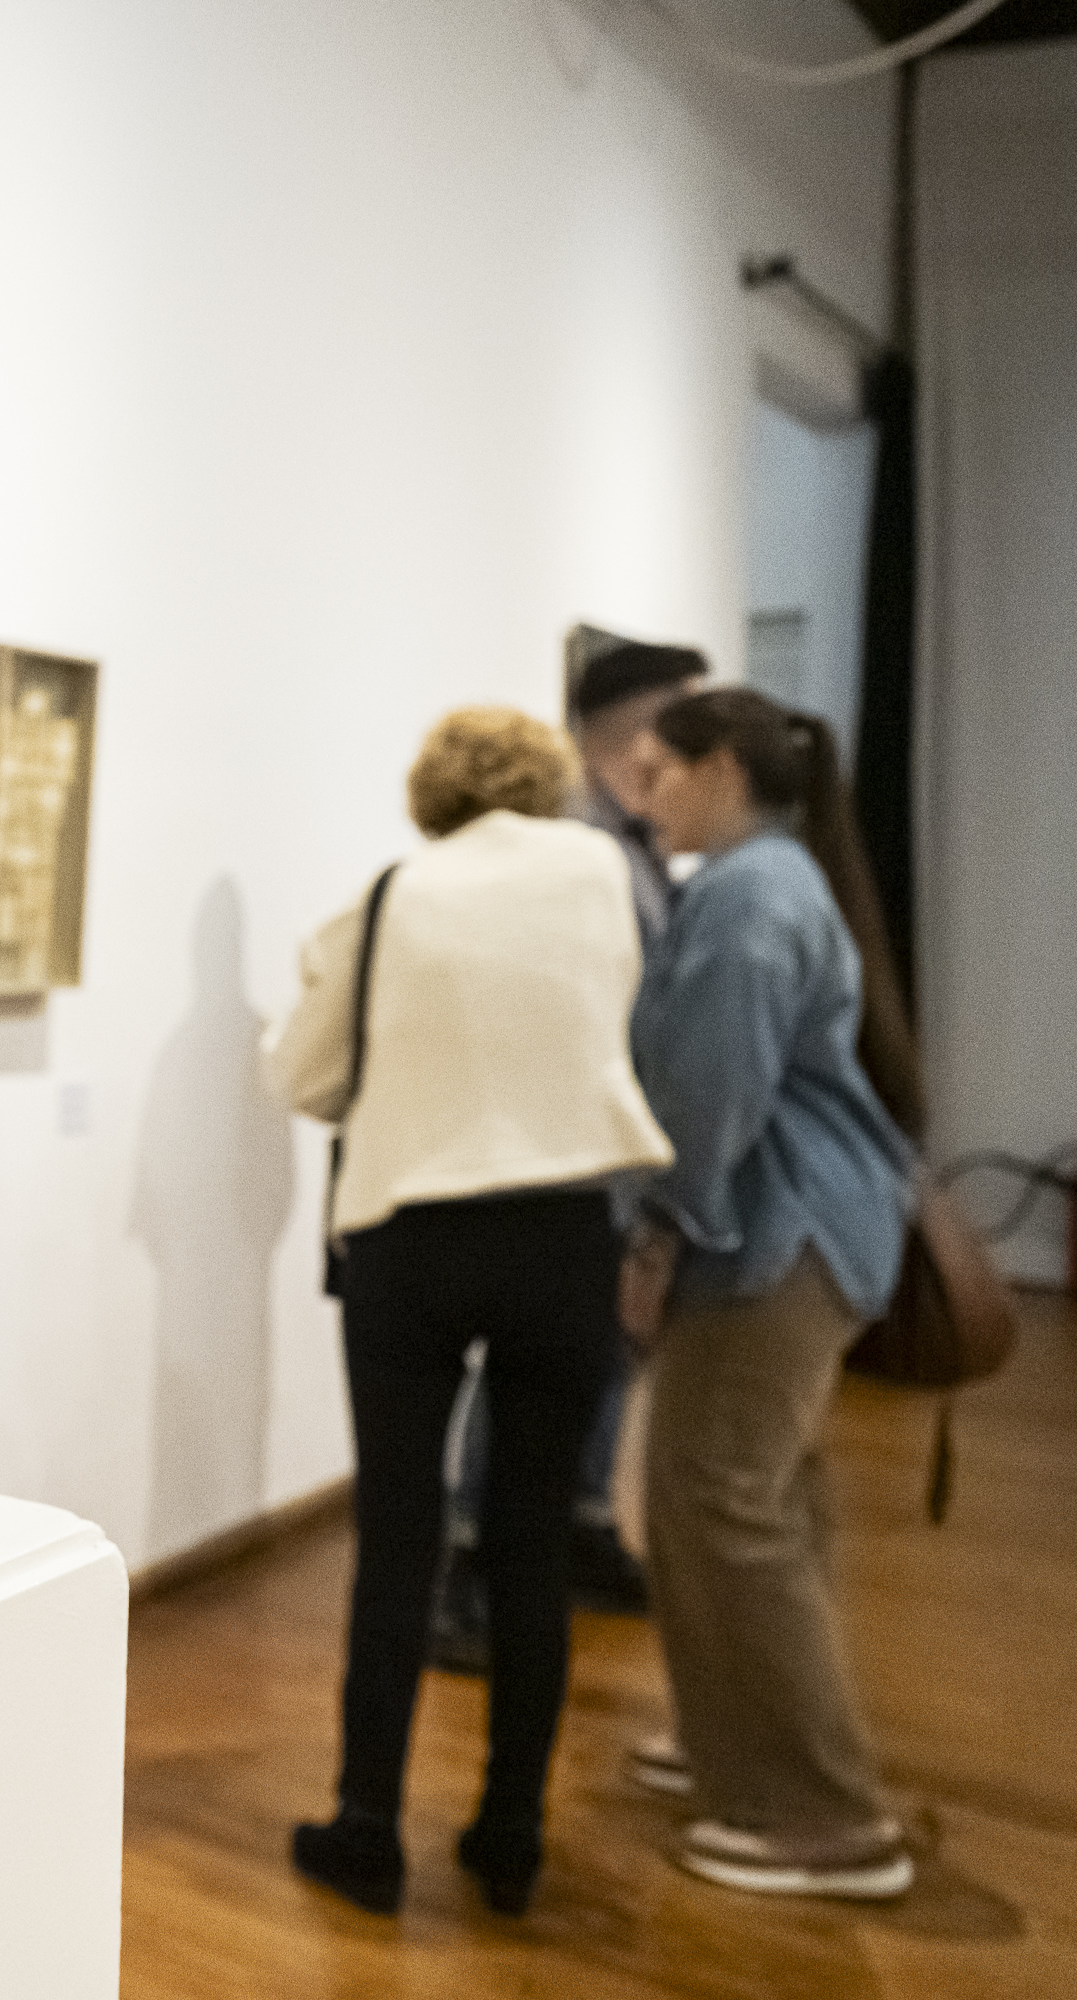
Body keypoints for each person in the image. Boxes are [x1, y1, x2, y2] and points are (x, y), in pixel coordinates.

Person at [265, 707, 674, 1916]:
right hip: (561, 1234)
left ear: (430, 793)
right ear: (548, 785)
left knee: (399, 1535)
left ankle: (368, 1826)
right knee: (530, 1541)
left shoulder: (391, 895)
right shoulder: (601, 872)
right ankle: (508, 1834)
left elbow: (305, 1076)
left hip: (414, 1240)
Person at [623, 688, 920, 1900]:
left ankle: (823, 1816)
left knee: (721, 1498)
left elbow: (707, 1097)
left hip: (771, 1239)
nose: (646, 795)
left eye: (661, 772)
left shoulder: (749, 895)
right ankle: (732, 1743)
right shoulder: (780, 880)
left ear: (721, 770)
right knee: (754, 1497)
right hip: (810, 1232)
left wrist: (658, 1235)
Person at [432, 642, 705, 1667]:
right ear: (630, 731)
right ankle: (468, 1563)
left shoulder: (629, 844)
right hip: (563, 1157)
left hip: (612, 1154)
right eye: (680, 720)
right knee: (534, 1367)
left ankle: (582, 1524)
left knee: (596, 1361)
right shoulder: (574, 849)